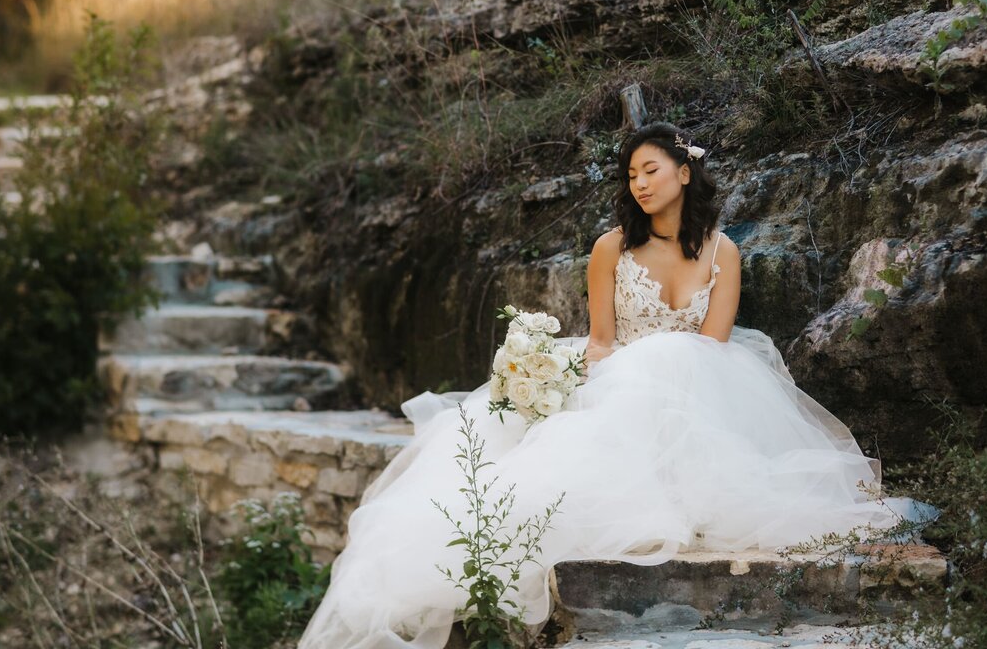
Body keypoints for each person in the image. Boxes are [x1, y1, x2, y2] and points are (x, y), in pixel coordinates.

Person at [298, 122, 937, 649]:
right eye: (631, 175)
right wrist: (575, 378)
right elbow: (602, 340)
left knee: (678, 364)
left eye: (650, 170)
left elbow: (713, 345)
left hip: (704, 384)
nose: (639, 184)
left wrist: (662, 367)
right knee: (622, 388)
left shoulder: (725, 254)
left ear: (684, 173)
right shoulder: (610, 248)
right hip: (621, 374)